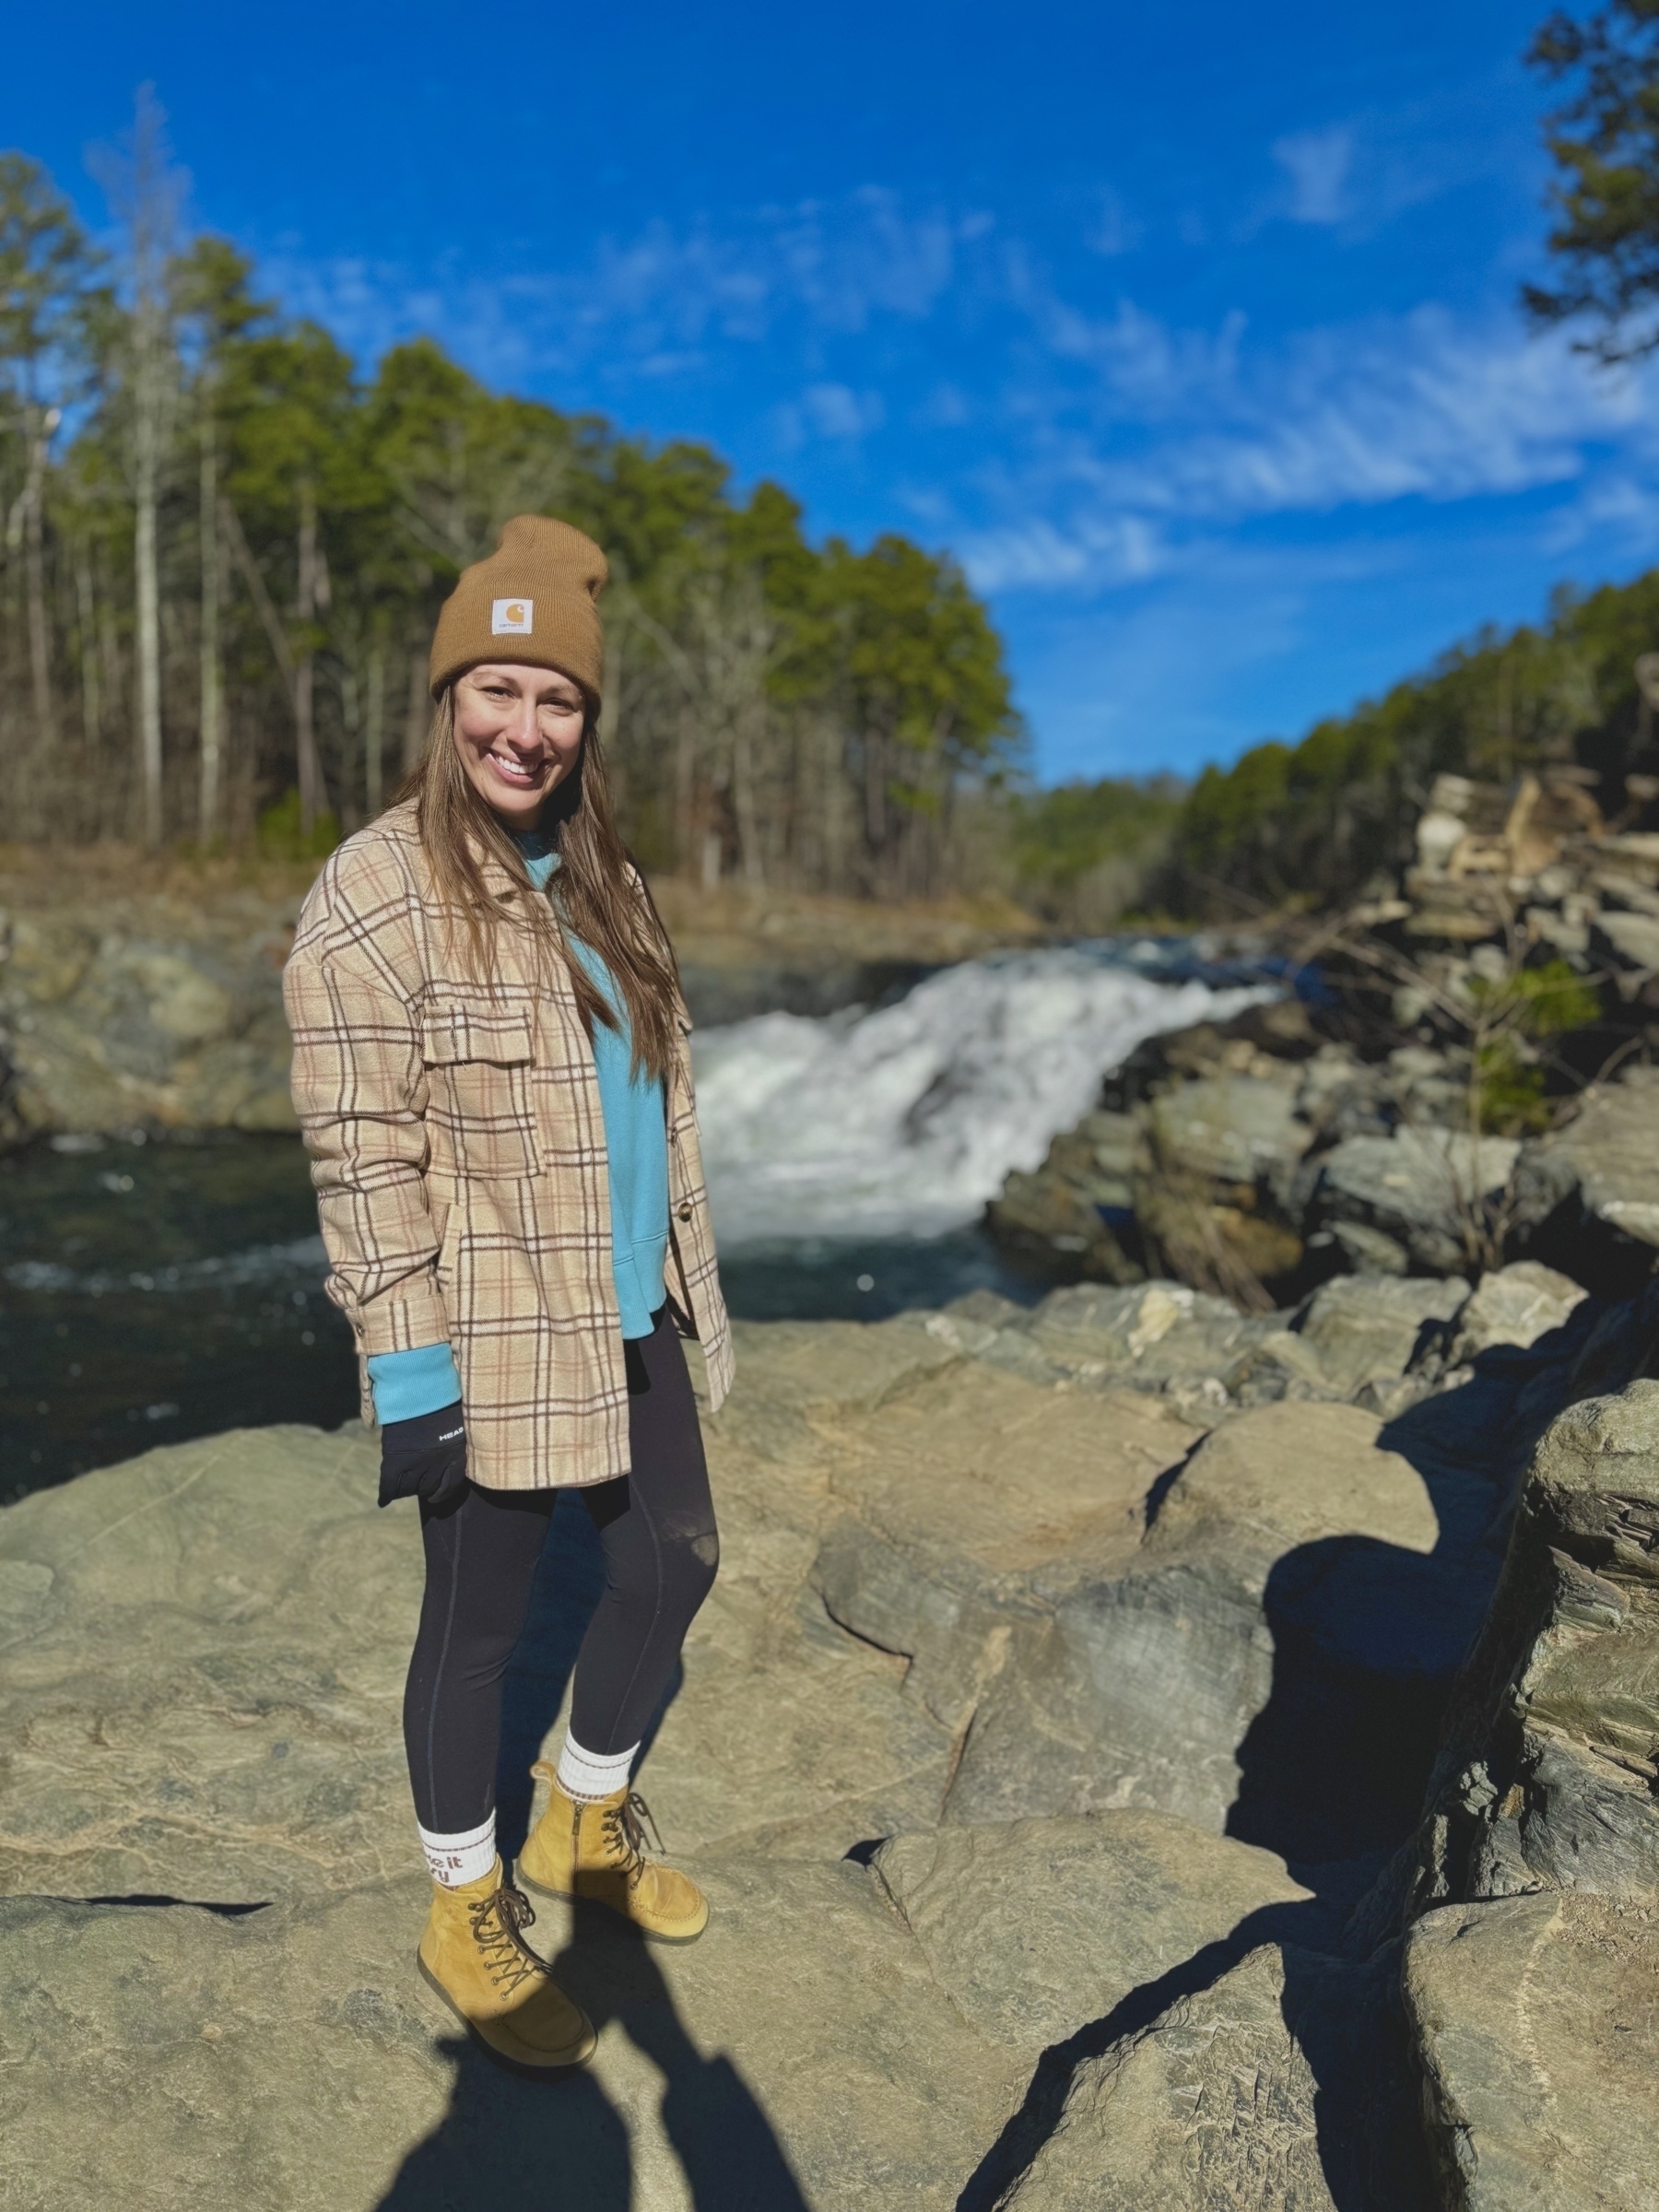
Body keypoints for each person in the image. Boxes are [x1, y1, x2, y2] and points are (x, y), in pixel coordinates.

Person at [284, 515, 733, 2077]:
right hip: (485, 1333)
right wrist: (410, 1375)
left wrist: (681, 1290)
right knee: (475, 1630)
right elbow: (361, 1154)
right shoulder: (375, 891)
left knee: (677, 1564)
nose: (525, 730)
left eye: (559, 702)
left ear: (587, 724)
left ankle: (581, 1823)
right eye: (498, 689)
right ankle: (461, 1899)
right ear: (447, 695)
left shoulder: (609, 880)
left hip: (632, 1310)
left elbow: (655, 1118)